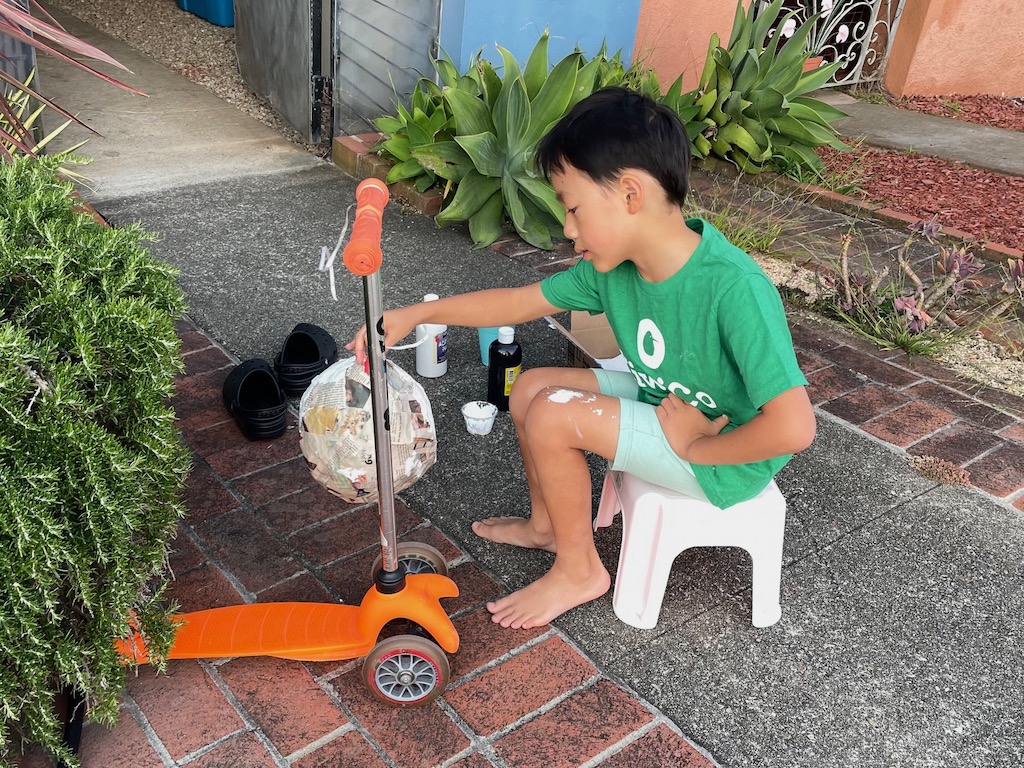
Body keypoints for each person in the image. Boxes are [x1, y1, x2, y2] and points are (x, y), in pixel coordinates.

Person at [348, 86, 816, 630]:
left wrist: (700, 447)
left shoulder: (734, 289)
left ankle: (580, 571)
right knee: (527, 389)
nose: (568, 231)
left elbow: (794, 428)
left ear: (630, 194)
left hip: (723, 455)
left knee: (553, 413)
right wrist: (414, 315)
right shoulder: (613, 269)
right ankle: (549, 527)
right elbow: (520, 302)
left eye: (573, 209)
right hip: (667, 405)